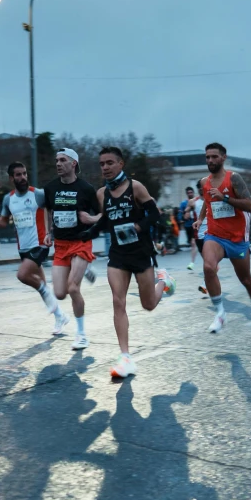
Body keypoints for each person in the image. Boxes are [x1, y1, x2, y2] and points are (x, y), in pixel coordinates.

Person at [77, 147, 175, 379]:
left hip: (141, 252)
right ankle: (125, 357)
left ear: (121, 164)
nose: (105, 167)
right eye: (102, 164)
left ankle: (163, 281)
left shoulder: (135, 187)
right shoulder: (102, 194)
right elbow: (105, 222)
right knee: (117, 301)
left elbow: (155, 214)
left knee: (148, 304)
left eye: (110, 163)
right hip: (118, 254)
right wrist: (89, 233)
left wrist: (139, 227)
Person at [0, 162, 71, 335]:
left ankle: (53, 306)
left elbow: (53, 210)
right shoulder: (8, 199)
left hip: (40, 244)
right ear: (11, 178)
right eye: (18, 175)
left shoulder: (39, 194)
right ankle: (60, 316)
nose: (22, 178)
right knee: (41, 285)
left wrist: (51, 232)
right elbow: (4, 221)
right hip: (24, 248)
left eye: (25, 174)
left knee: (23, 275)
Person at [199, 143, 251, 333]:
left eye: (214, 157)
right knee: (208, 267)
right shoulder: (205, 182)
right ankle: (220, 312)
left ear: (223, 157)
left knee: (246, 279)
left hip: (237, 238)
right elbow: (208, 201)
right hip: (215, 235)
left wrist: (225, 198)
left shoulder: (234, 178)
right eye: (207, 157)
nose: (210, 160)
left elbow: (249, 205)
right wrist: (201, 218)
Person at [44, 148, 100, 351]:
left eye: (63, 160)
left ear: (73, 163)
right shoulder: (50, 188)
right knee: (60, 294)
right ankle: (84, 269)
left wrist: (90, 219)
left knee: (73, 288)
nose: (58, 164)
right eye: (56, 160)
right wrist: (49, 232)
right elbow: (48, 210)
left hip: (81, 242)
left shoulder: (86, 188)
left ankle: (82, 334)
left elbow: (103, 214)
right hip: (60, 245)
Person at [180, 186, 199, 270]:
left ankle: (192, 262)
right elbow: (181, 215)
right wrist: (184, 217)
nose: (190, 194)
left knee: (193, 243)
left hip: (197, 225)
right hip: (188, 225)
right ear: (187, 194)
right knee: (192, 243)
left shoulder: (197, 201)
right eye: (188, 193)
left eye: (191, 192)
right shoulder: (184, 203)